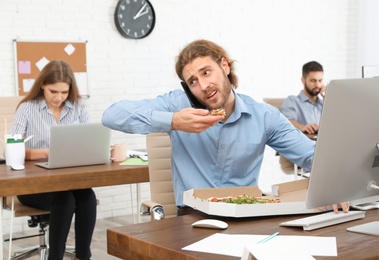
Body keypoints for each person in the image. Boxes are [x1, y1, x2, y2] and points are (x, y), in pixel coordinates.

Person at [102, 39, 348, 214]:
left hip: (246, 214)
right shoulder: (177, 105)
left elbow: (311, 155)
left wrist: (335, 185)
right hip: (192, 217)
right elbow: (112, 115)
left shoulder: (263, 116)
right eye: (193, 81)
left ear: (225, 66)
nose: (203, 85)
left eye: (207, 72)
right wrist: (174, 120)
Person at [9, 60, 96, 260]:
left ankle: (83, 256)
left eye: (64, 92)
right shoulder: (27, 108)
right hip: (33, 185)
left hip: (69, 180)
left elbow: (88, 141)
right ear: (42, 85)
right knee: (64, 200)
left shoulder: (78, 107)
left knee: (87, 197)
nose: (59, 98)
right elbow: (12, 149)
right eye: (53, 91)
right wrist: (47, 153)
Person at [281, 61, 325, 135]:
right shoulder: (292, 101)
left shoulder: (323, 103)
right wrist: (302, 127)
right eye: (313, 81)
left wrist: (325, 96)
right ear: (303, 80)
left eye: (320, 81)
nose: (317, 85)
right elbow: (286, 122)